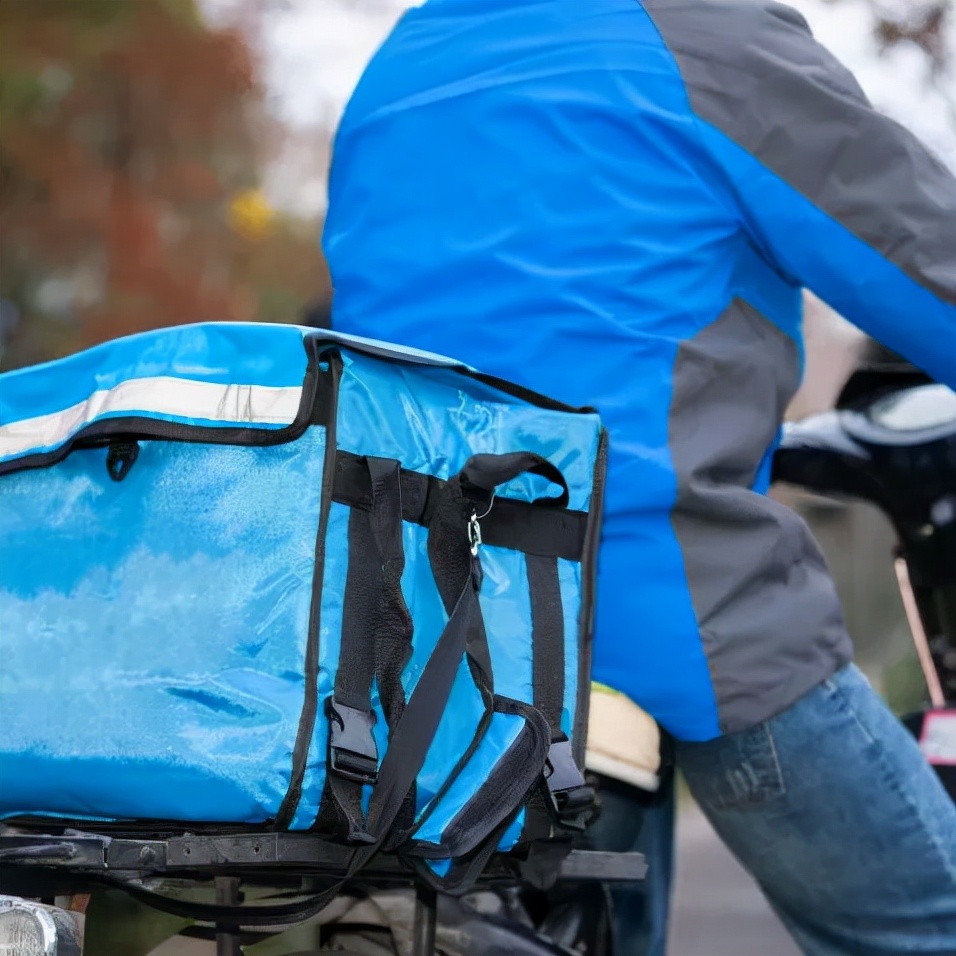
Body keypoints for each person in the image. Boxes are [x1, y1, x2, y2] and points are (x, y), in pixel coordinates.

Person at [321, 1, 956, 952]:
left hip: (419, 629)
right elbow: (922, 261)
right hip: (664, 600)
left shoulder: (406, 58)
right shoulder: (708, 41)